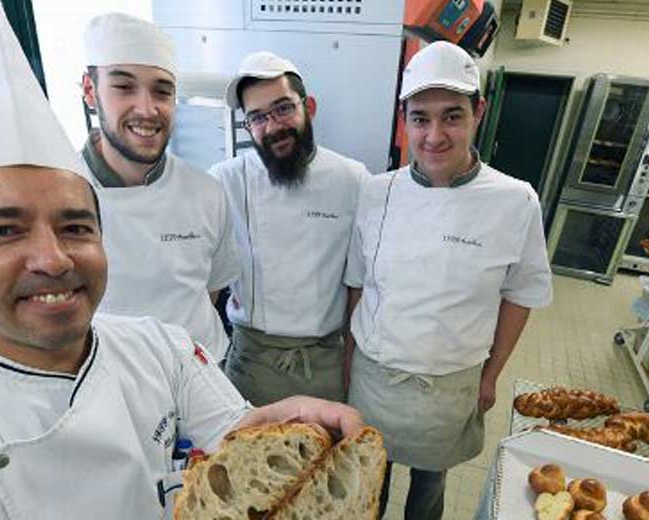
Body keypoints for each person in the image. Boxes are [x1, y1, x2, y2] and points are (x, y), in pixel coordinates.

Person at [0, 2, 362, 518]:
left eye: (74, 227)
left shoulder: (159, 348)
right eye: (3, 230)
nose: (52, 257)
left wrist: (278, 425)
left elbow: (235, 428)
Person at [343, 41, 553, 519]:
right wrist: (348, 360)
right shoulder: (377, 193)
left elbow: (521, 296)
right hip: (376, 378)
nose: (434, 135)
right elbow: (357, 284)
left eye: (452, 116)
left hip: (449, 385)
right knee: (366, 481)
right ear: (405, 121)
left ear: (479, 112)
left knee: (429, 487)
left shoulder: (514, 201)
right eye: (420, 118)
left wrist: (492, 374)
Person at [209, 52, 369, 406]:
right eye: (258, 117)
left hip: (326, 361)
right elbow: (207, 280)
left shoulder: (353, 179)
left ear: (308, 106)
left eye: (283, 109)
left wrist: (351, 361)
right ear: (247, 126)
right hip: (253, 361)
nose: (273, 125)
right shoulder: (225, 181)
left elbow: (361, 282)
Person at [78, 13, 238, 360]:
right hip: (111, 390)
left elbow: (210, 291)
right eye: (124, 87)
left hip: (205, 380)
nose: (147, 109)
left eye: (162, 91)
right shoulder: (58, 196)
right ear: (90, 91)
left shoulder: (206, 192)